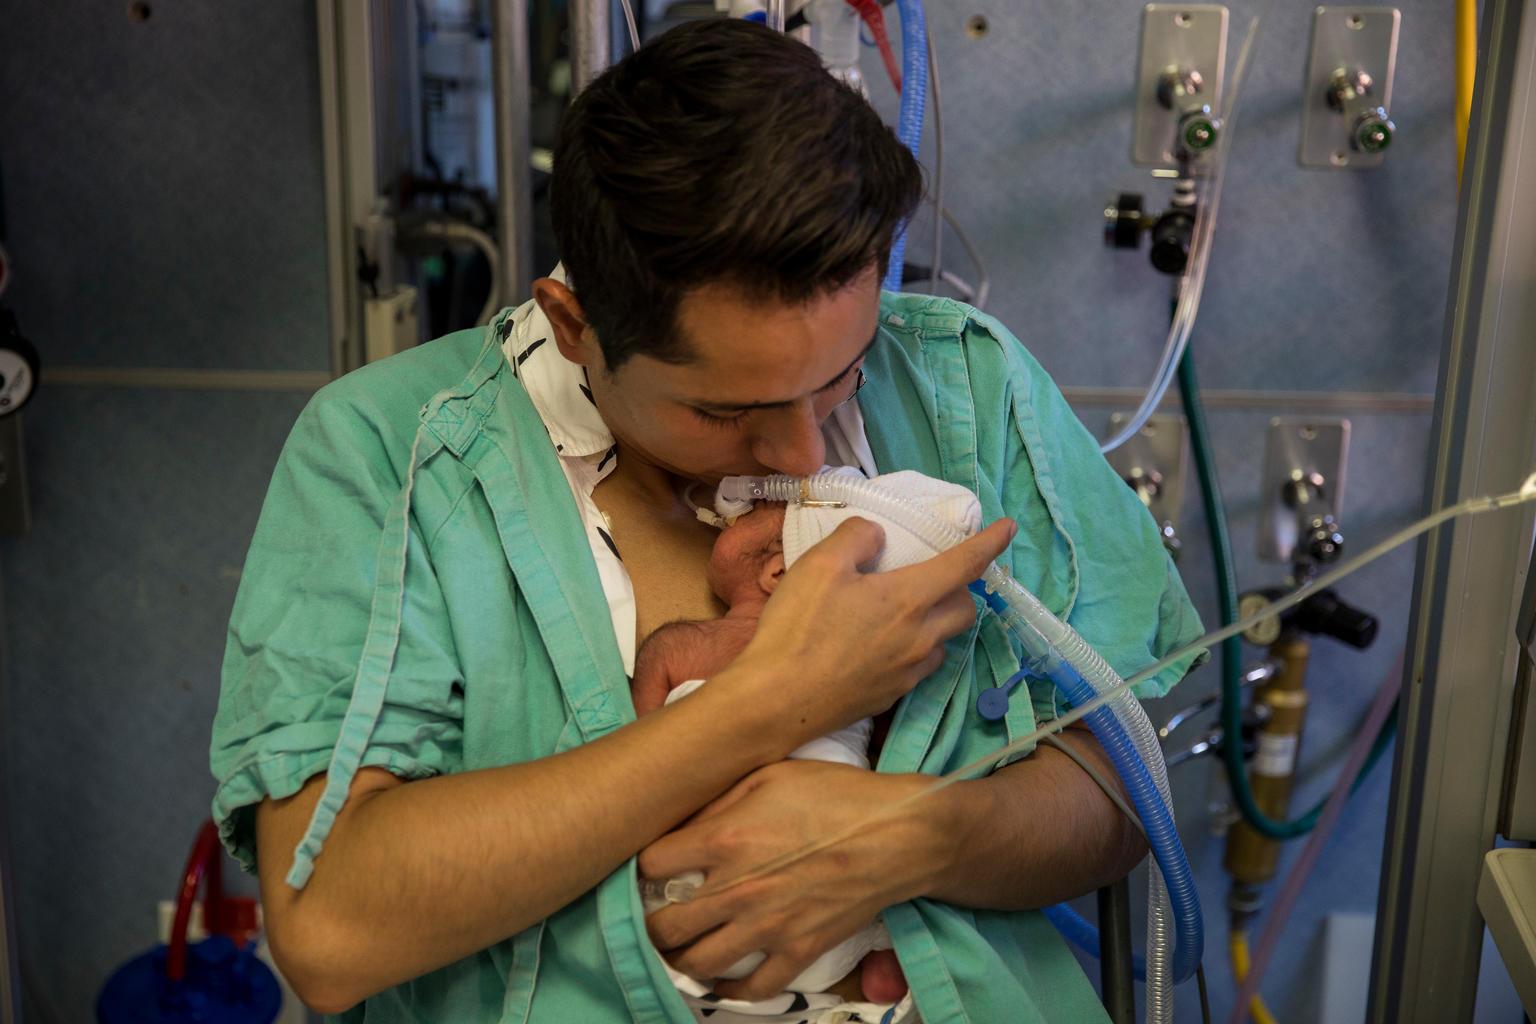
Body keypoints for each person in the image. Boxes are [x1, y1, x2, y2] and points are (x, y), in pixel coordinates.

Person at [209, 17, 1204, 1024]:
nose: (805, 455)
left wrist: (912, 836)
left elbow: (1120, 786)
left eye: (841, 376)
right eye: (725, 411)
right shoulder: (394, 454)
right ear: (575, 325)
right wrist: (771, 703)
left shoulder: (965, 384)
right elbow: (329, 931)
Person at [633, 470, 983, 1019]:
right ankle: (879, 952)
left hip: (678, 873)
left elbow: (631, 748)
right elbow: (889, 767)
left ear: (776, 570)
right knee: (884, 910)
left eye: (756, 521)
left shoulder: (691, 644)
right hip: (819, 937)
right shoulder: (878, 684)